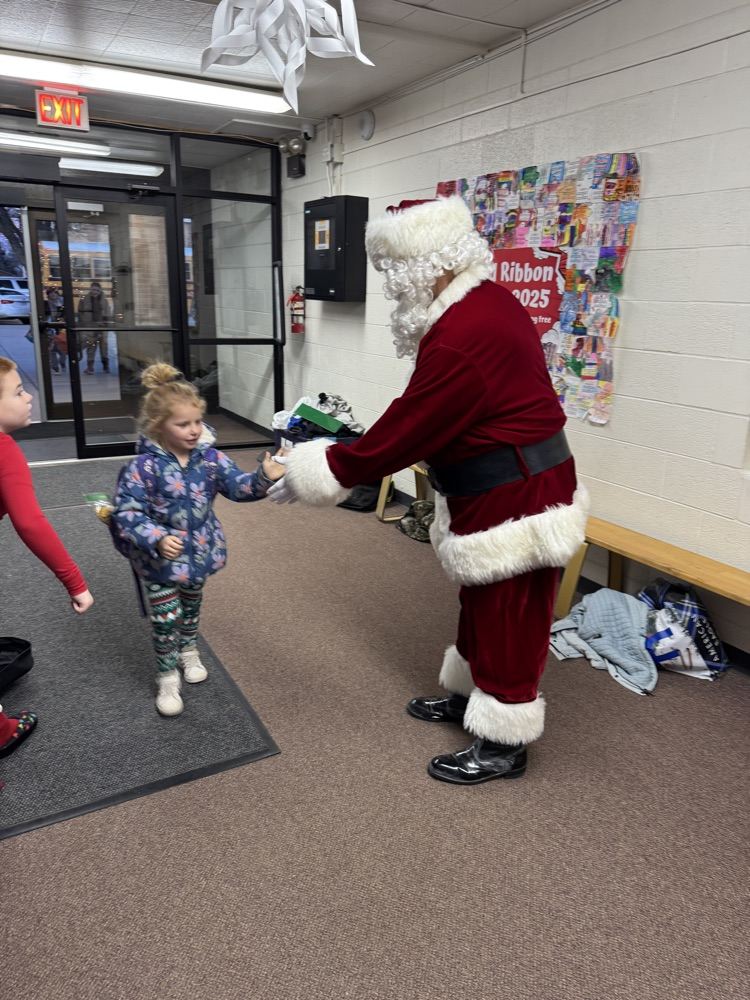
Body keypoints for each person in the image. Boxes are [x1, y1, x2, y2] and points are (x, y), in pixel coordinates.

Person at [269, 196, 589, 784]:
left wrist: (329, 469)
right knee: (482, 601)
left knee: (510, 615)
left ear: (427, 266)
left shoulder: (467, 331)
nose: (393, 289)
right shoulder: (476, 305)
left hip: (518, 494)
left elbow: (413, 422)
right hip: (492, 487)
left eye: (396, 275)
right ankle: (472, 697)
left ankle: (503, 741)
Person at [110, 362, 286, 717]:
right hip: (158, 562)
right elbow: (126, 513)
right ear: (159, 426)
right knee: (165, 619)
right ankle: (167, 677)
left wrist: (264, 478)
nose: (194, 431)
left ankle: (189, 650)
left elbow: (239, 487)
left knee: (190, 608)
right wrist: (156, 537)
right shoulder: (142, 468)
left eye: (197, 422)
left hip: (200, 554)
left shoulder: (211, 460)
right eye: (183, 424)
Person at [0, 356, 94, 759]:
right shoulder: (4, 450)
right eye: (18, 392)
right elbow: (31, 523)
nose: (29, 398)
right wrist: (76, 582)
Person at [77, 281, 111, 374]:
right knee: (91, 348)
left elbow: (108, 314)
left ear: (100, 291)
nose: (95, 292)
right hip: (89, 327)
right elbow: (80, 314)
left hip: (102, 328)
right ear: (90, 289)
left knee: (104, 348)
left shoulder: (104, 301)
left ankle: (105, 366)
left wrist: (106, 325)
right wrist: (82, 327)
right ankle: (90, 367)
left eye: (97, 290)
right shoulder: (84, 300)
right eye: (93, 290)